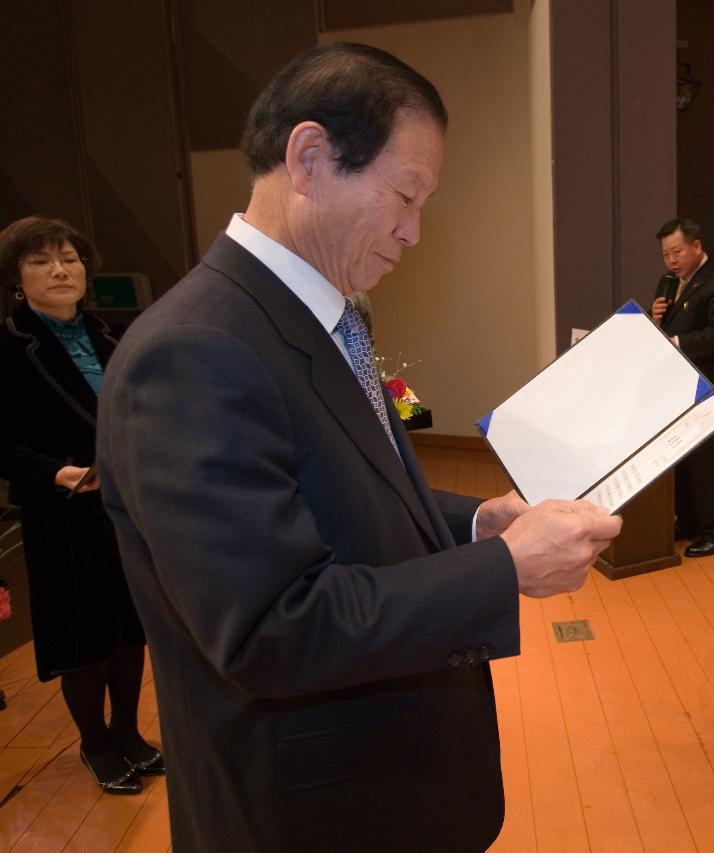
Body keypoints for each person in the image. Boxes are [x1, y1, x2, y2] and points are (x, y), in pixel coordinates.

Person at [96, 43, 621, 852]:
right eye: (405, 196)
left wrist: (480, 521)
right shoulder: (195, 350)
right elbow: (271, 626)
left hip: (387, 782)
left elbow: (349, 492)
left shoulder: (316, 316)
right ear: (309, 157)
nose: (413, 232)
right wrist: (506, 568)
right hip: (314, 813)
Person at [0, 216, 162, 794]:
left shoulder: (110, 333)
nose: (61, 269)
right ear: (17, 279)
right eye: (41, 261)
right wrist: (53, 473)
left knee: (130, 623)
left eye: (68, 257)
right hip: (61, 513)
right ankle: (95, 742)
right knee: (84, 633)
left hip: (124, 506)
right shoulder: (10, 347)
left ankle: (128, 731)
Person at [650, 218, 714, 557]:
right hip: (679, 389)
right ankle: (689, 521)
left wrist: (674, 339)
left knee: (709, 463)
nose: (671, 261)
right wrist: (656, 316)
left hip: (709, 388)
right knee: (685, 460)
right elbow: (673, 331)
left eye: (677, 252)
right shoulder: (672, 285)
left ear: (697, 246)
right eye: (665, 255)